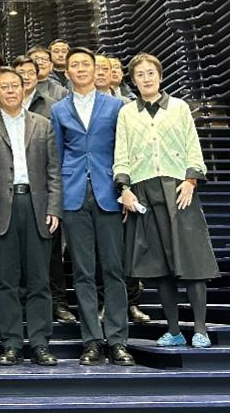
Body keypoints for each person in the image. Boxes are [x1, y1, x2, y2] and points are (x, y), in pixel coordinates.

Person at [114, 53, 219, 349]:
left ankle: (200, 329)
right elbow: (121, 154)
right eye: (140, 75)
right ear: (133, 81)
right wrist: (124, 188)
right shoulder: (127, 113)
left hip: (179, 189)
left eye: (150, 73)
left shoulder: (179, 107)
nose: (146, 78)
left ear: (160, 76)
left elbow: (193, 147)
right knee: (159, 266)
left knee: (192, 261)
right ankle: (173, 330)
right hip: (144, 191)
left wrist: (190, 180)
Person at [50, 47, 135, 367]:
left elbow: (124, 151)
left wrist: (125, 190)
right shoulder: (58, 109)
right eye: (75, 65)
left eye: (86, 64)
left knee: (113, 270)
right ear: (67, 72)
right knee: (83, 272)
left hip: (108, 192)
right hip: (74, 196)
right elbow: (56, 157)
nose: (81, 69)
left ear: (95, 69)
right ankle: (92, 342)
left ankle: (118, 340)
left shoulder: (116, 106)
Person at [0, 67, 62, 366]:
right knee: (5, 281)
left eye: (15, 85)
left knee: (39, 280)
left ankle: (40, 343)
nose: (11, 91)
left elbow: (54, 171)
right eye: (4, 86)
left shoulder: (43, 124)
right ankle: (11, 343)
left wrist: (54, 208)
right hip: (1, 209)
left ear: (24, 88)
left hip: (36, 207)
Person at [13, 55, 77, 324]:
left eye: (30, 72)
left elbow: (60, 149)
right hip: (14, 189)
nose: (26, 76)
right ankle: (23, 303)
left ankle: (58, 302)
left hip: (46, 187)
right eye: (21, 72)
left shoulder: (52, 106)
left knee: (51, 253)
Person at [93, 56, 150, 324]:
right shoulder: (82, 106)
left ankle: (132, 303)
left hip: (127, 184)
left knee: (128, 248)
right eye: (97, 68)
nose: (101, 73)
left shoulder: (127, 106)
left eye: (106, 69)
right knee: (100, 252)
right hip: (98, 185)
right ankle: (105, 302)